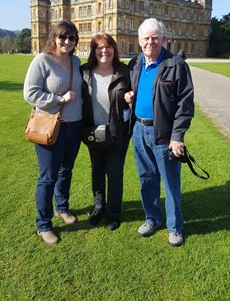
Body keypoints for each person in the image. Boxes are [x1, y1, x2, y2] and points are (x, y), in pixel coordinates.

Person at [124, 18, 194, 246]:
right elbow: (133, 91)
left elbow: (185, 102)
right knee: (146, 179)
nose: (151, 42)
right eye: (146, 38)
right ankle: (152, 218)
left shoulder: (176, 64)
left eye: (155, 37)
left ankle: (175, 227)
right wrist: (128, 97)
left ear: (163, 39)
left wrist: (177, 136)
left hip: (164, 133)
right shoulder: (134, 64)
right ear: (139, 41)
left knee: (170, 181)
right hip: (138, 129)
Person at [24, 20, 82, 245]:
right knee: (47, 176)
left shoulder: (76, 61)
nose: (67, 42)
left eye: (72, 38)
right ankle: (43, 224)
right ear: (54, 38)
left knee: (66, 170)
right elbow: (30, 93)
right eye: (63, 37)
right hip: (50, 125)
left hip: (74, 125)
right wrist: (58, 99)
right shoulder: (42, 60)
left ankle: (62, 207)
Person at [80, 33, 130, 230]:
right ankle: (98, 207)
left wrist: (130, 95)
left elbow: (136, 93)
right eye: (99, 47)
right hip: (93, 131)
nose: (104, 50)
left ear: (114, 50)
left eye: (108, 47)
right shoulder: (84, 72)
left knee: (115, 173)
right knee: (97, 170)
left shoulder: (124, 71)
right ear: (93, 51)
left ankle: (113, 213)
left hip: (117, 132)